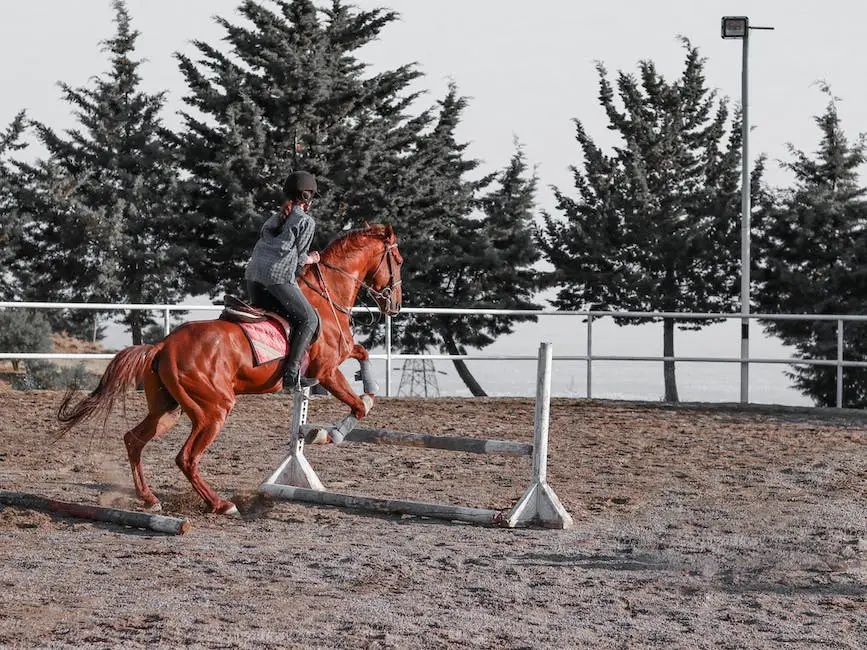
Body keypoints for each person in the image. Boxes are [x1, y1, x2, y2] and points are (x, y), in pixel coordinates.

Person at [245, 170, 321, 391]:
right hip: (277, 279)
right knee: (309, 320)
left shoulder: (275, 217)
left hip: (252, 277)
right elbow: (298, 261)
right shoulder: (306, 221)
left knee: (279, 316)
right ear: (307, 197)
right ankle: (291, 374)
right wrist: (313, 259)